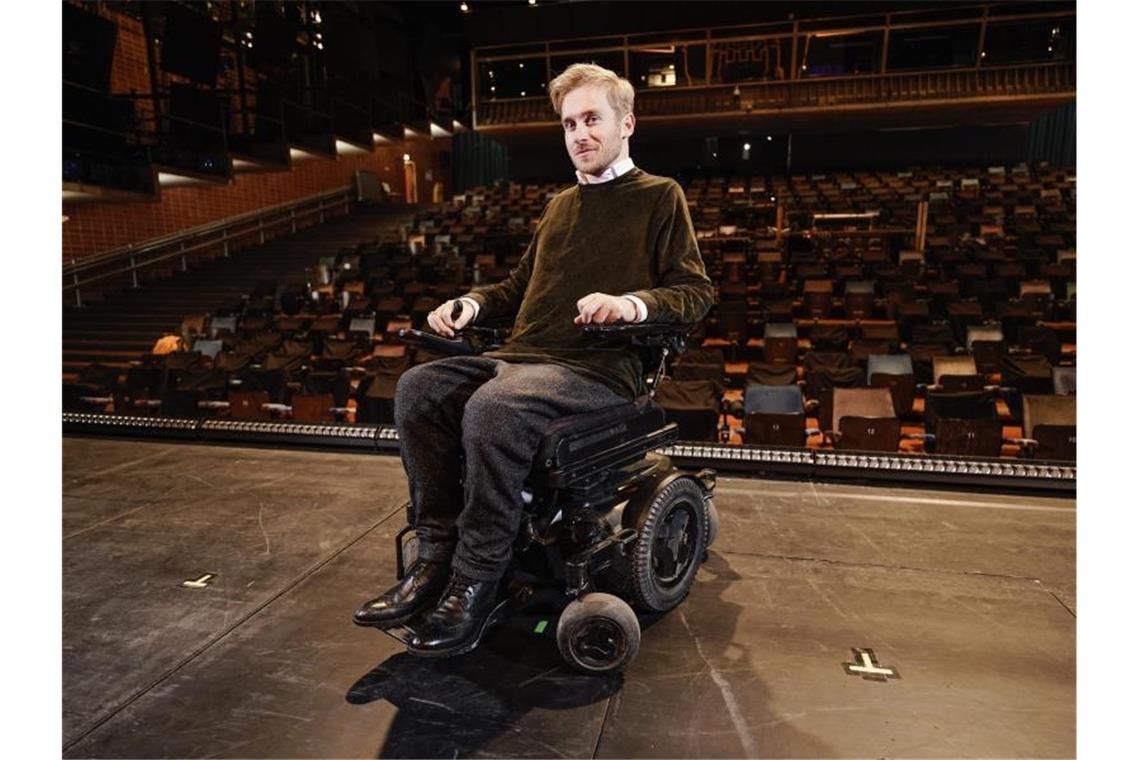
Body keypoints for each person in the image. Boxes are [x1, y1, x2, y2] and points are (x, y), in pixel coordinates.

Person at [353, 62, 715, 656]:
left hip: (598, 370)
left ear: (627, 123)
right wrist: (470, 304)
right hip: (523, 356)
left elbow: (695, 293)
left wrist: (631, 305)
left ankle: (477, 579)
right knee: (418, 387)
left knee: (495, 406)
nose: (579, 133)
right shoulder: (558, 206)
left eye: (592, 119)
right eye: (570, 123)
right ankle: (434, 557)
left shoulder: (659, 196)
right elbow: (518, 289)